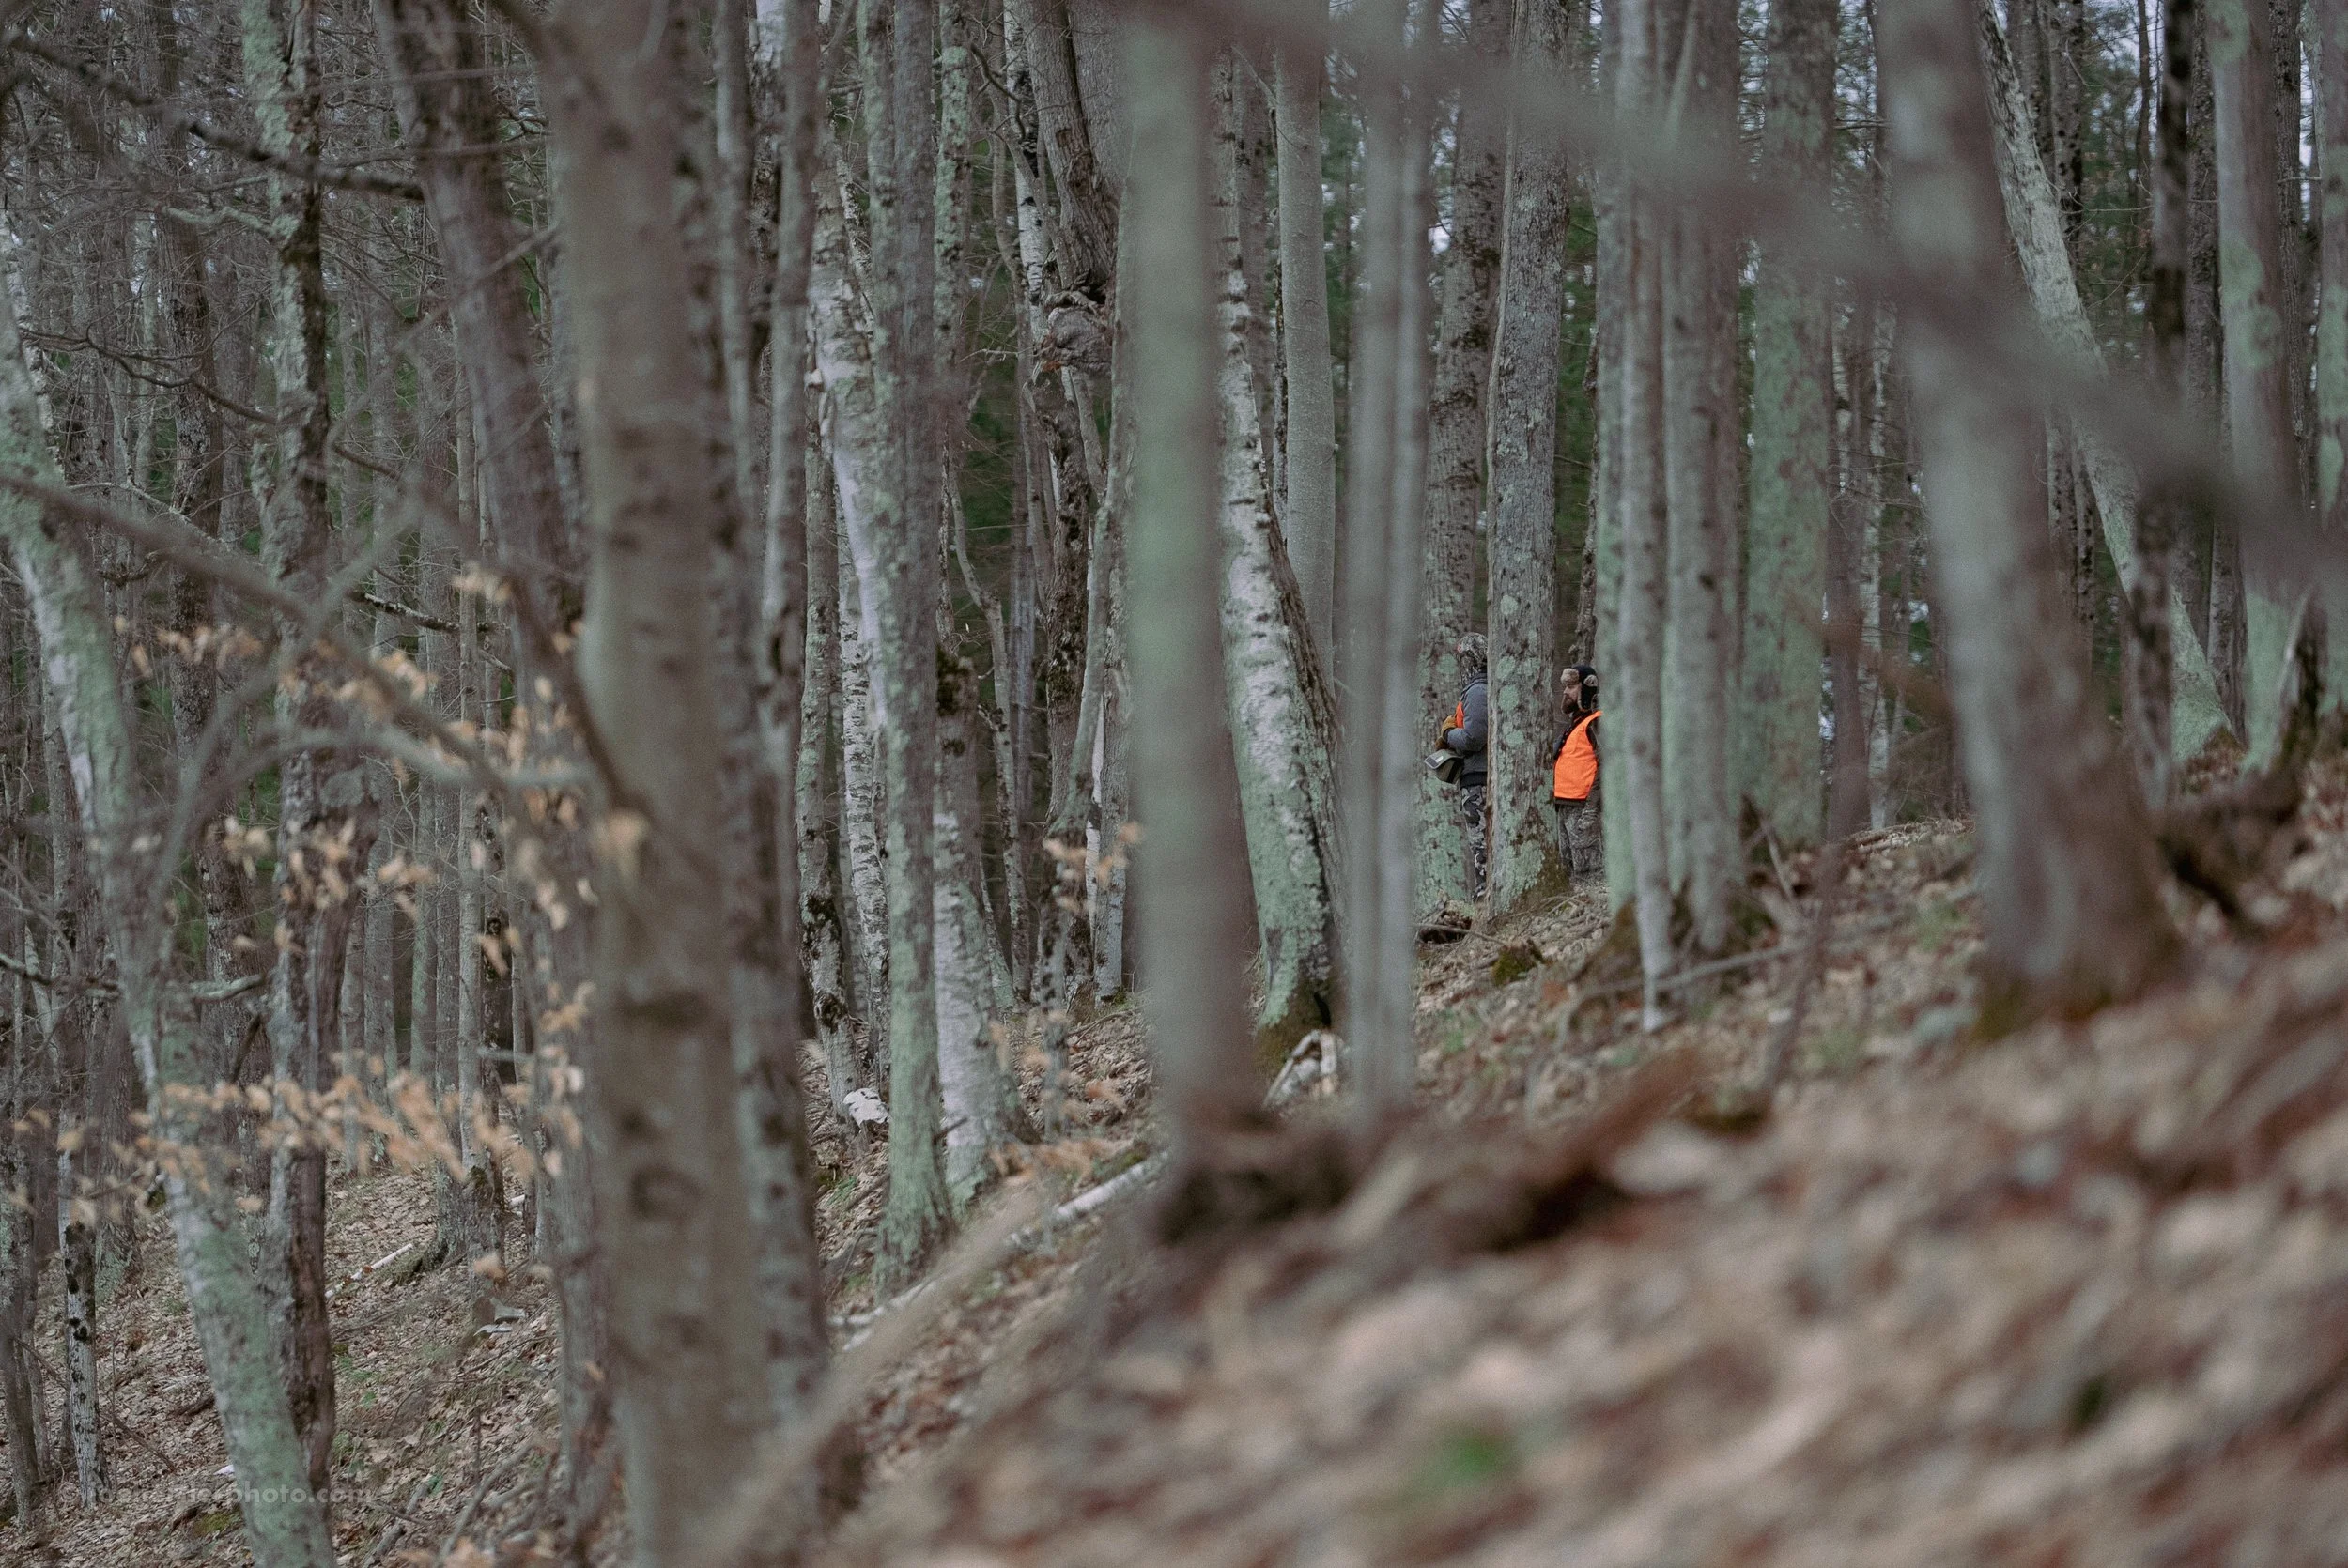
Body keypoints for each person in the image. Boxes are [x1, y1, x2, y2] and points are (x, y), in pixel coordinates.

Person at [1441, 633, 1491, 899]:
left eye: (1464, 658)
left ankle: (1485, 894)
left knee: (1481, 841)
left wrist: (1449, 734)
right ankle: (1483, 891)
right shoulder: (1476, 690)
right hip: (1475, 776)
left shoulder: (1478, 690)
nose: (1462, 664)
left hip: (1478, 780)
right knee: (1478, 841)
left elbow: (1473, 737)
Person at [1552, 664, 1602, 884]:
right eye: (1565, 686)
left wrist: (1591, 810)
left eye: (1571, 686)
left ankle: (1596, 918)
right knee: (1569, 876)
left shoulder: (1597, 721)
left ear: (1586, 688)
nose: (1565, 692)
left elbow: (1607, 766)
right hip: (1564, 806)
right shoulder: (1574, 724)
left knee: (1589, 875)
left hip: (1583, 807)